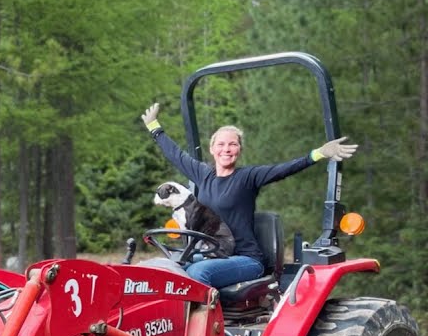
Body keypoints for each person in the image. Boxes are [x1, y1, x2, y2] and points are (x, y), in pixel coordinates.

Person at [140, 103, 357, 288]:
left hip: (245, 258)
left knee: (198, 273)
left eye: (233, 144)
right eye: (221, 144)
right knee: (163, 271)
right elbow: (175, 155)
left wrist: (318, 153)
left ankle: (200, 334)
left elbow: (284, 169)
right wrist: (154, 127)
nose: (227, 149)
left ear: (239, 150)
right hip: (211, 254)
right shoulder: (202, 174)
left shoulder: (248, 176)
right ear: (212, 148)